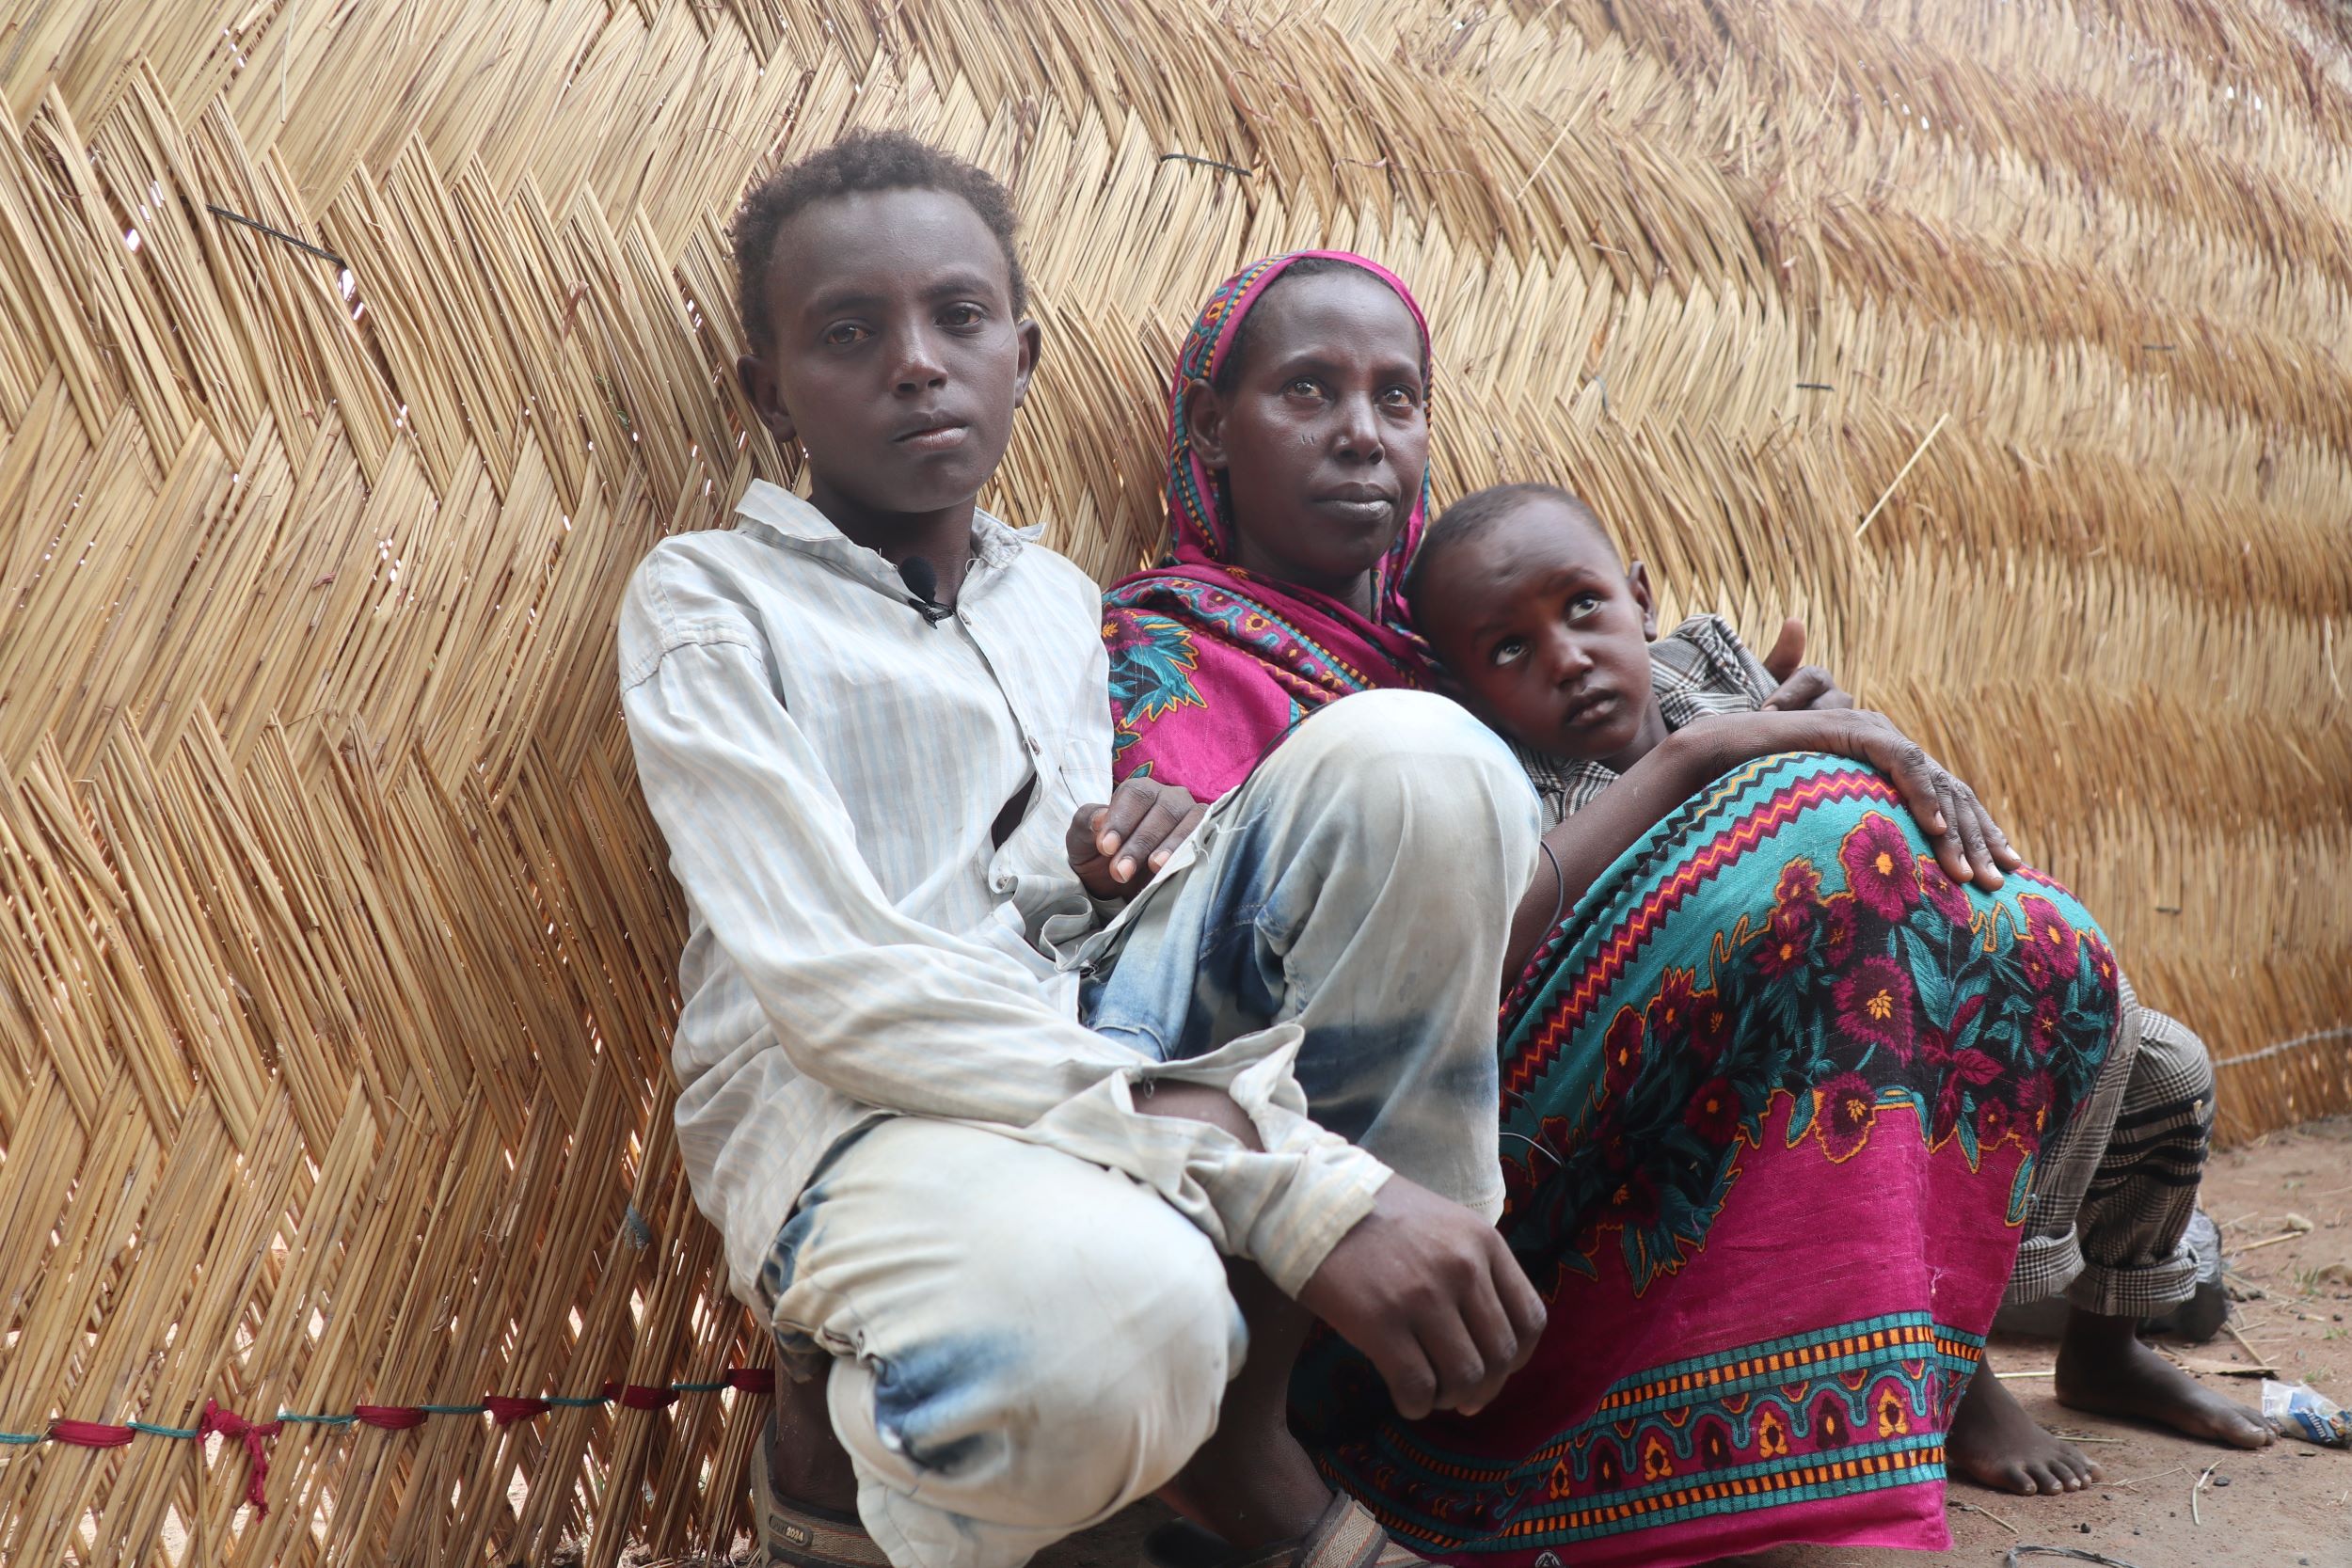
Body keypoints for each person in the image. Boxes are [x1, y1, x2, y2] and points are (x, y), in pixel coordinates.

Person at [619, 134, 1565, 1568]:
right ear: (770, 389)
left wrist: (1158, 843)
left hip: (1078, 1045)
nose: (918, 364)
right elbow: (840, 988)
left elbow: (1061, 914)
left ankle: (1251, 1431)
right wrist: (1293, 1173)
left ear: (1023, 349)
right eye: (849, 334)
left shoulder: (1057, 600)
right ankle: (859, 1465)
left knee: (1427, 765)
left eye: (960, 317)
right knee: (1137, 1316)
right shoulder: (710, 602)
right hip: (859, 1109)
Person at [1103, 253, 2123, 1568]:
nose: (1363, 430)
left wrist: (1787, 731)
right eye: (1309, 391)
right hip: (1344, 1204)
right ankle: (1816, 1499)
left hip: (1549, 1113)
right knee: (1830, 850)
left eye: (1395, 396)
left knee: (2023, 931)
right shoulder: (1166, 657)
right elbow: (1206, 951)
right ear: (1211, 437)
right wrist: (1711, 767)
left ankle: (1859, 1409)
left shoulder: (1459, 638)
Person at [1405, 481, 2270, 1496]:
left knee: (2161, 1061)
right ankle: (1958, 1359)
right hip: (1749, 1061)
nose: (1566, 656)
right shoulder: (1519, 789)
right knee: (1883, 1079)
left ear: (1641, 597)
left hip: (1908, 978)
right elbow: (1525, 939)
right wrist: (1709, 763)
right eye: (1508, 650)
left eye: (1584, 605)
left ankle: (2106, 1338)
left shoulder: (1715, 678)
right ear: (1467, 690)